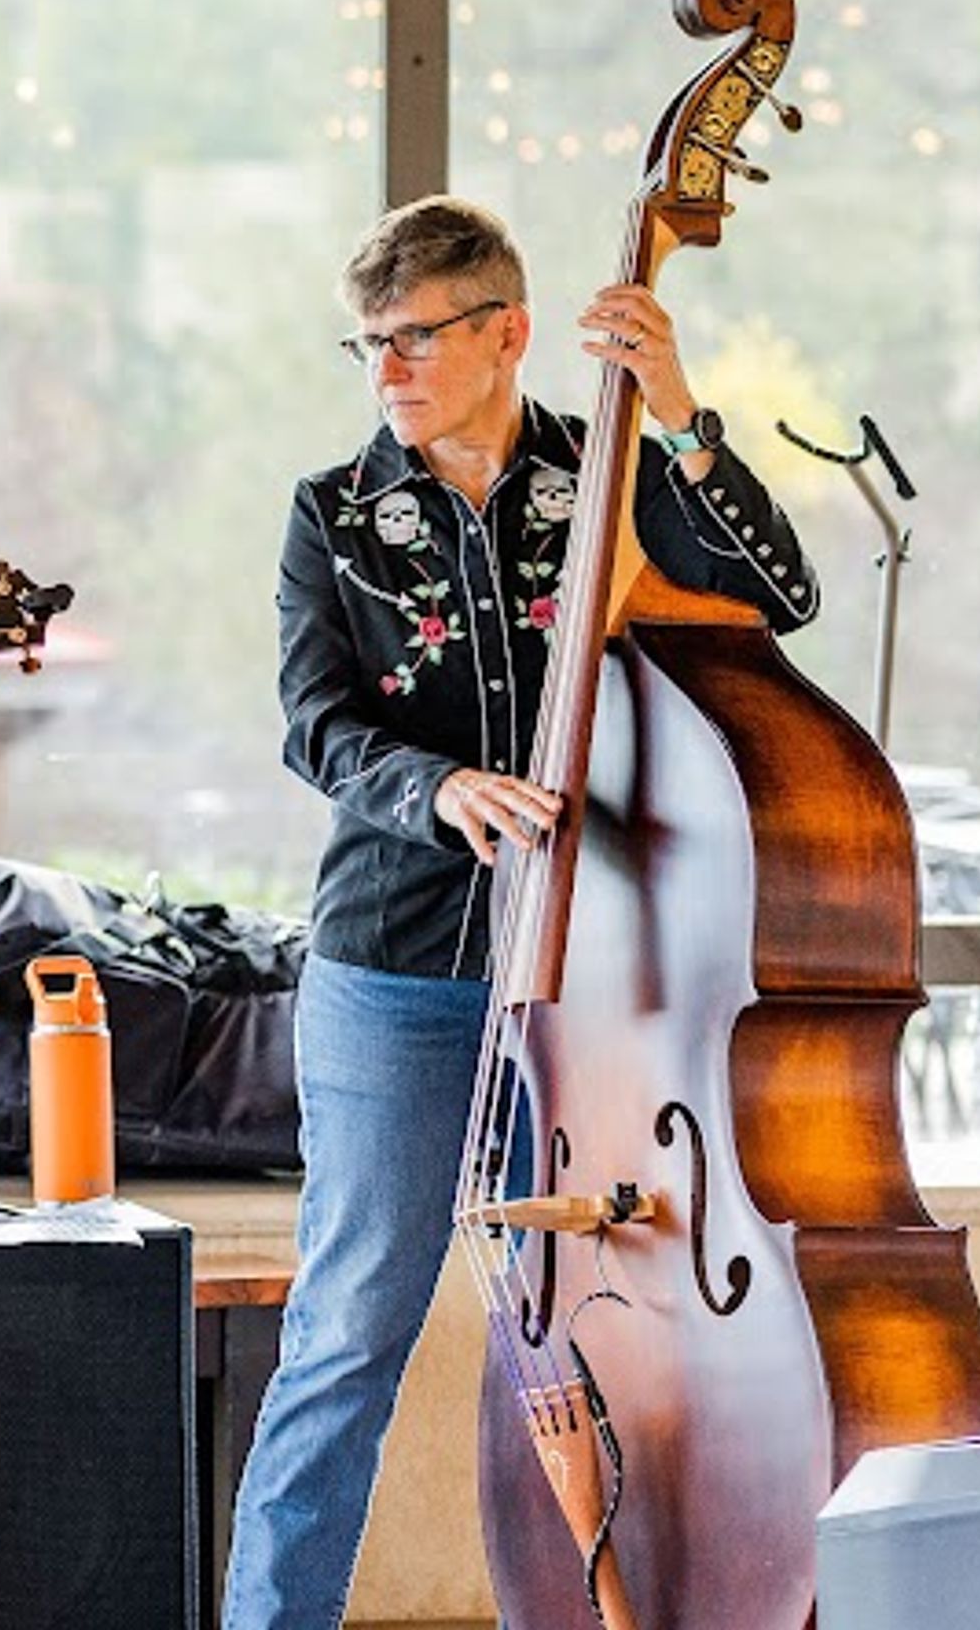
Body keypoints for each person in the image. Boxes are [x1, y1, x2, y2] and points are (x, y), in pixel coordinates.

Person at [224, 195, 820, 1630]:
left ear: (507, 331)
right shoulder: (331, 513)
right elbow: (314, 729)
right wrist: (438, 792)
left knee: (607, 1333)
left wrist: (680, 411)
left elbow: (782, 591)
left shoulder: (612, 471)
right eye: (368, 345)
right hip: (399, 973)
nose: (387, 373)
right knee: (349, 1330)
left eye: (415, 339)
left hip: (602, 987)